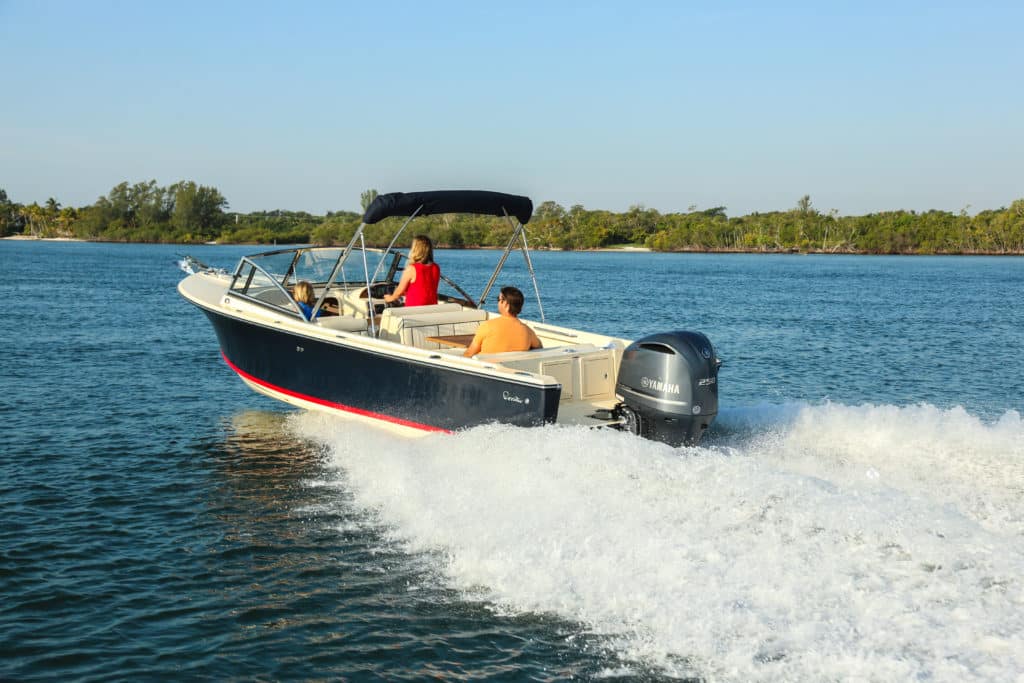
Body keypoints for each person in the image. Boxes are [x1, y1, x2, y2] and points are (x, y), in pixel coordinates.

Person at [464, 286, 543, 357]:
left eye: (498, 299)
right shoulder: (528, 332)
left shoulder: (487, 326)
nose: (498, 302)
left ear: (506, 304)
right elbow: (539, 348)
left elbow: (469, 354)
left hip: (486, 366)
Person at [383, 235, 440, 307]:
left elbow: (399, 291)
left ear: (415, 249)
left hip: (414, 309)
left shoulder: (411, 269)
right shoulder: (436, 267)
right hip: (432, 307)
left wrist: (390, 298)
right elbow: (424, 288)